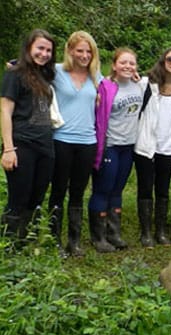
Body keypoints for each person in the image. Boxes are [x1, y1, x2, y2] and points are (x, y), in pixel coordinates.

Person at [46, 31, 101, 256]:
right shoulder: (57, 72)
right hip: (61, 139)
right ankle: (54, 240)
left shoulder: (97, 76)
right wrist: (14, 66)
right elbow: (31, 72)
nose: (85, 55)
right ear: (70, 51)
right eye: (80, 50)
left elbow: (119, 84)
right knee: (59, 190)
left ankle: (74, 241)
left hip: (88, 141)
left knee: (78, 191)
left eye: (89, 51)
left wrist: (138, 77)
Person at [1, 29, 56, 244]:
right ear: (28, 48)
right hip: (22, 144)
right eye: (40, 48)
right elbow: (4, 111)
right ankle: (8, 248)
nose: (44, 53)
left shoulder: (46, 75)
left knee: (36, 198)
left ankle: (24, 244)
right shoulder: (14, 75)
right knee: (18, 199)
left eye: (48, 50)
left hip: (45, 145)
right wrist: (8, 148)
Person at [88, 47, 145, 252]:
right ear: (114, 65)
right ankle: (98, 236)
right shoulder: (105, 86)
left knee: (117, 190)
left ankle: (114, 233)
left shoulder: (139, 85)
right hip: (110, 145)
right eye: (123, 62)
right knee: (103, 188)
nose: (128, 66)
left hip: (128, 146)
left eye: (131, 63)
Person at [134, 47, 171, 247]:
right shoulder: (146, 84)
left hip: (168, 149)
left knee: (163, 191)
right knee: (145, 189)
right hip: (146, 147)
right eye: (170, 59)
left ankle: (161, 231)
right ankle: (146, 233)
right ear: (163, 61)